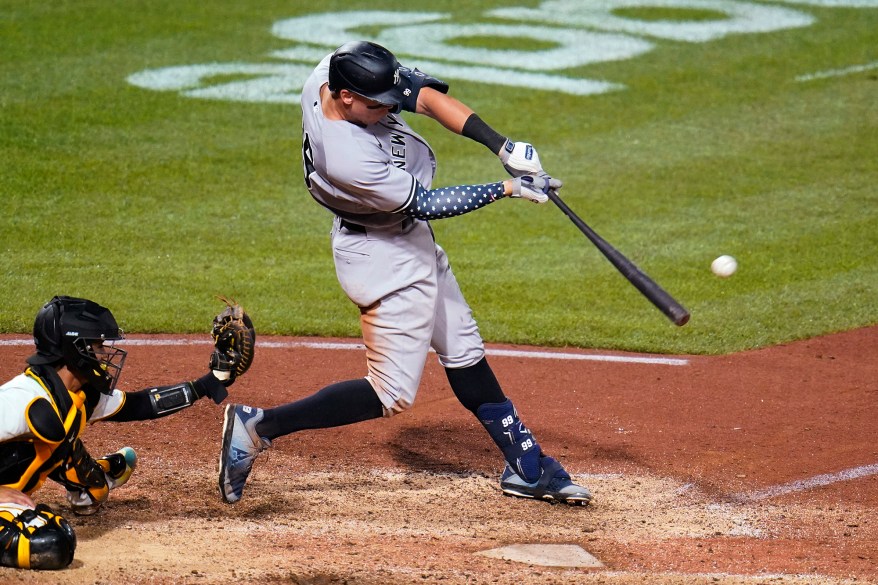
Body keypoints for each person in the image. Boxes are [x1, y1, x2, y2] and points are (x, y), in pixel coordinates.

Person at [218, 41, 592, 507]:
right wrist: (510, 187)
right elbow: (424, 203)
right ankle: (258, 428)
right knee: (391, 392)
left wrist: (503, 146)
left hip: (407, 237)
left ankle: (526, 467)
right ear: (346, 97)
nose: (392, 109)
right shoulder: (346, 156)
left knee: (463, 348)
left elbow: (424, 97)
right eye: (380, 106)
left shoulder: (331, 73)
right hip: (382, 255)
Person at [0, 295, 238, 570]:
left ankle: (89, 473)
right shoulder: (24, 399)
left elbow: (141, 404)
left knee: (64, 443)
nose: (104, 354)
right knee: (52, 544)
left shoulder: (78, 395)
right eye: (98, 345)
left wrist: (208, 384)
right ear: (74, 349)